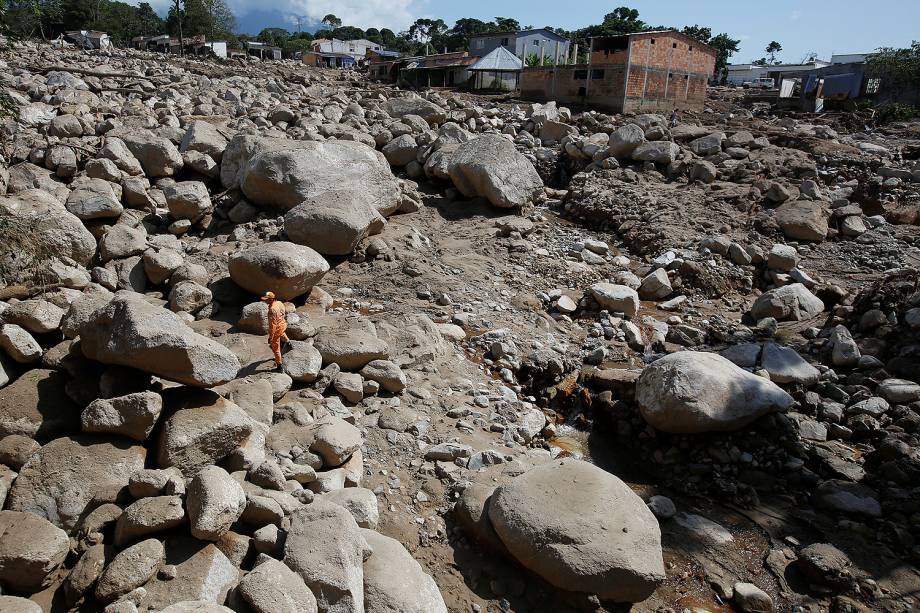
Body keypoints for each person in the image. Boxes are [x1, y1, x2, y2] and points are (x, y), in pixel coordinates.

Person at [261, 291, 289, 368]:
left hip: (277, 328)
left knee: (275, 347)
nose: (265, 301)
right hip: (283, 324)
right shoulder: (279, 303)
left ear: (271, 299)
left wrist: (271, 337)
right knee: (282, 332)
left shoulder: (272, 310)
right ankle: (288, 342)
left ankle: (279, 366)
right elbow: (284, 312)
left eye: (266, 299)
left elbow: (272, 326)